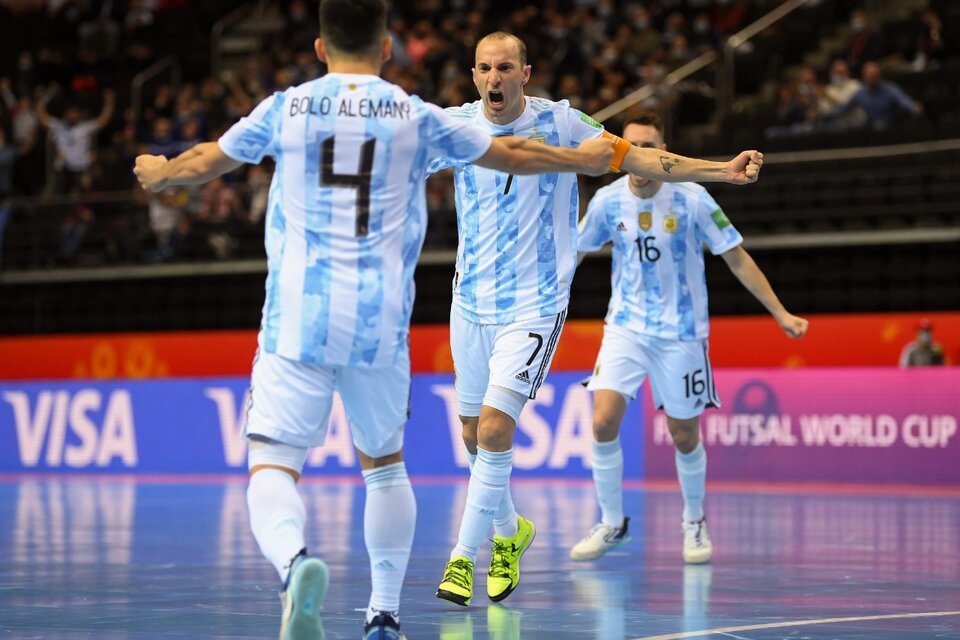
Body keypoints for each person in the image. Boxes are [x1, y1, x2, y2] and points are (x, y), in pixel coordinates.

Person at [132, 2, 615, 639]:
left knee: (271, 465)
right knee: (385, 467)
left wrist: (163, 172)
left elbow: (208, 161)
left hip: (298, 319)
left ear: (320, 48)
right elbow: (515, 154)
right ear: (388, 48)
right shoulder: (414, 115)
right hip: (380, 321)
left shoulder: (287, 106)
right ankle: (383, 613)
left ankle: (295, 561)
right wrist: (580, 162)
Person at [429, 32, 765, 607]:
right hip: (469, 303)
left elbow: (642, 157)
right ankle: (511, 531)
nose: (493, 78)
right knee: (470, 433)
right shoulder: (456, 125)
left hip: (533, 304)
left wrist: (721, 171)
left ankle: (464, 558)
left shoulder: (564, 124)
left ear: (525, 73)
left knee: (493, 430)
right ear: (473, 73)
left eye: (504, 67)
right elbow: (394, 153)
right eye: (483, 68)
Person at [571, 111, 807, 564]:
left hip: (681, 332)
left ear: (664, 153)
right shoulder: (606, 201)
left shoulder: (694, 199)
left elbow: (736, 257)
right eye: (632, 147)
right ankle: (612, 521)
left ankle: (694, 520)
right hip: (624, 326)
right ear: (623, 154)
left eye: (650, 147)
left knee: (683, 434)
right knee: (602, 421)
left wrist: (779, 312)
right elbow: (575, 256)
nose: (640, 156)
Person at [36, 86, 115, 194]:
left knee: (82, 195)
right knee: (61, 196)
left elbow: (103, 120)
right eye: (70, 112)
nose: (72, 115)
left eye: (75, 112)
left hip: (81, 168)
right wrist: (41, 100)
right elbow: (42, 117)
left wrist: (109, 103)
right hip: (63, 169)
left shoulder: (86, 127)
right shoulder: (59, 126)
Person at [821, 61, 922, 131]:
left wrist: (913, 107)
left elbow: (902, 100)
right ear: (865, 77)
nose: (871, 80)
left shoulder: (889, 88)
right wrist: (823, 116)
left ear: (879, 76)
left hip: (892, 127)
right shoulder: (861, 93)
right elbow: (843, 108)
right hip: (871, 129)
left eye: (874, 77)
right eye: (869, 78)